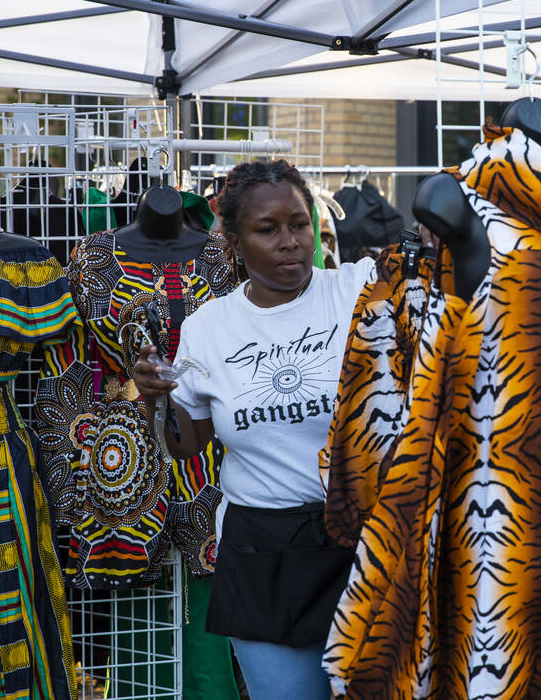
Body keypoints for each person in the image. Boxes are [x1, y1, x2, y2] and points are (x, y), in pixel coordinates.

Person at [132, 159, 375, 700]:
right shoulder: (208, 328)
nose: (291, 242)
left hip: (365, 543)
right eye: (268, 229)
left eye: (300, 224)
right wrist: (155, 400)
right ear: (234, 242)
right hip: (264, 551)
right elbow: (187, 443)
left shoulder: (359, 292)